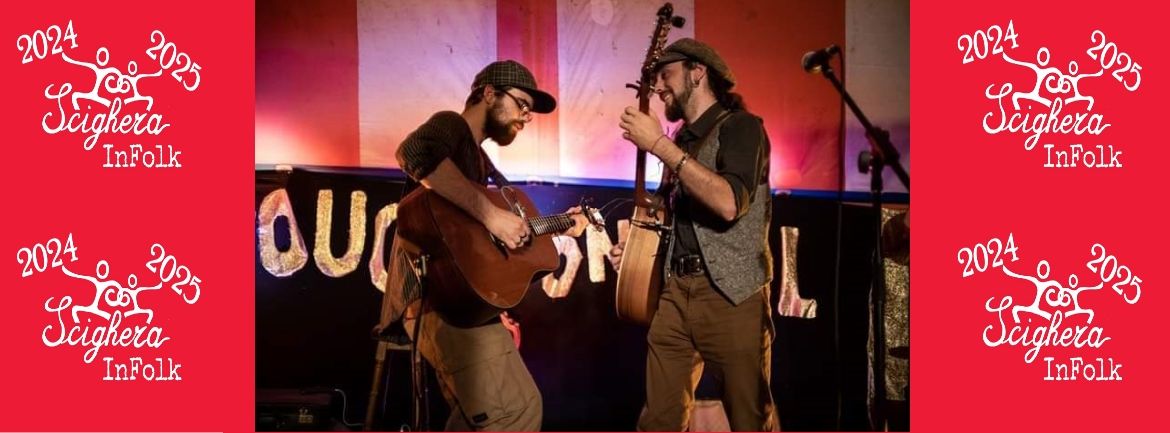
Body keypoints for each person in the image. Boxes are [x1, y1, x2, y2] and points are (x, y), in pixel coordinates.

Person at [379, 60, 586, 431]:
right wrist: (493, 217)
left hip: (461, 303)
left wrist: (563, 225)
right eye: (521, 103)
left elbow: (474, 242)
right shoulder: (451, 125)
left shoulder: (481, 162)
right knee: (514, 411)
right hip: (436, 301)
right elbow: (414, 152)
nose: (526, 116)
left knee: (503, 411)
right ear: (489, 93)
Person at [612, 38, 777, 431]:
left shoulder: (742, 128)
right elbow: (676, 218)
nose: (658, 87)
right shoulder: (682, 139)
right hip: (674, 295)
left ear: (697, 72)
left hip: (733, 295)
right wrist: (635, 250)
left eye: (666, 74)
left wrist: (657, 145)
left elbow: (728, 204)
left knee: (748, 418)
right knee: (658, 420)